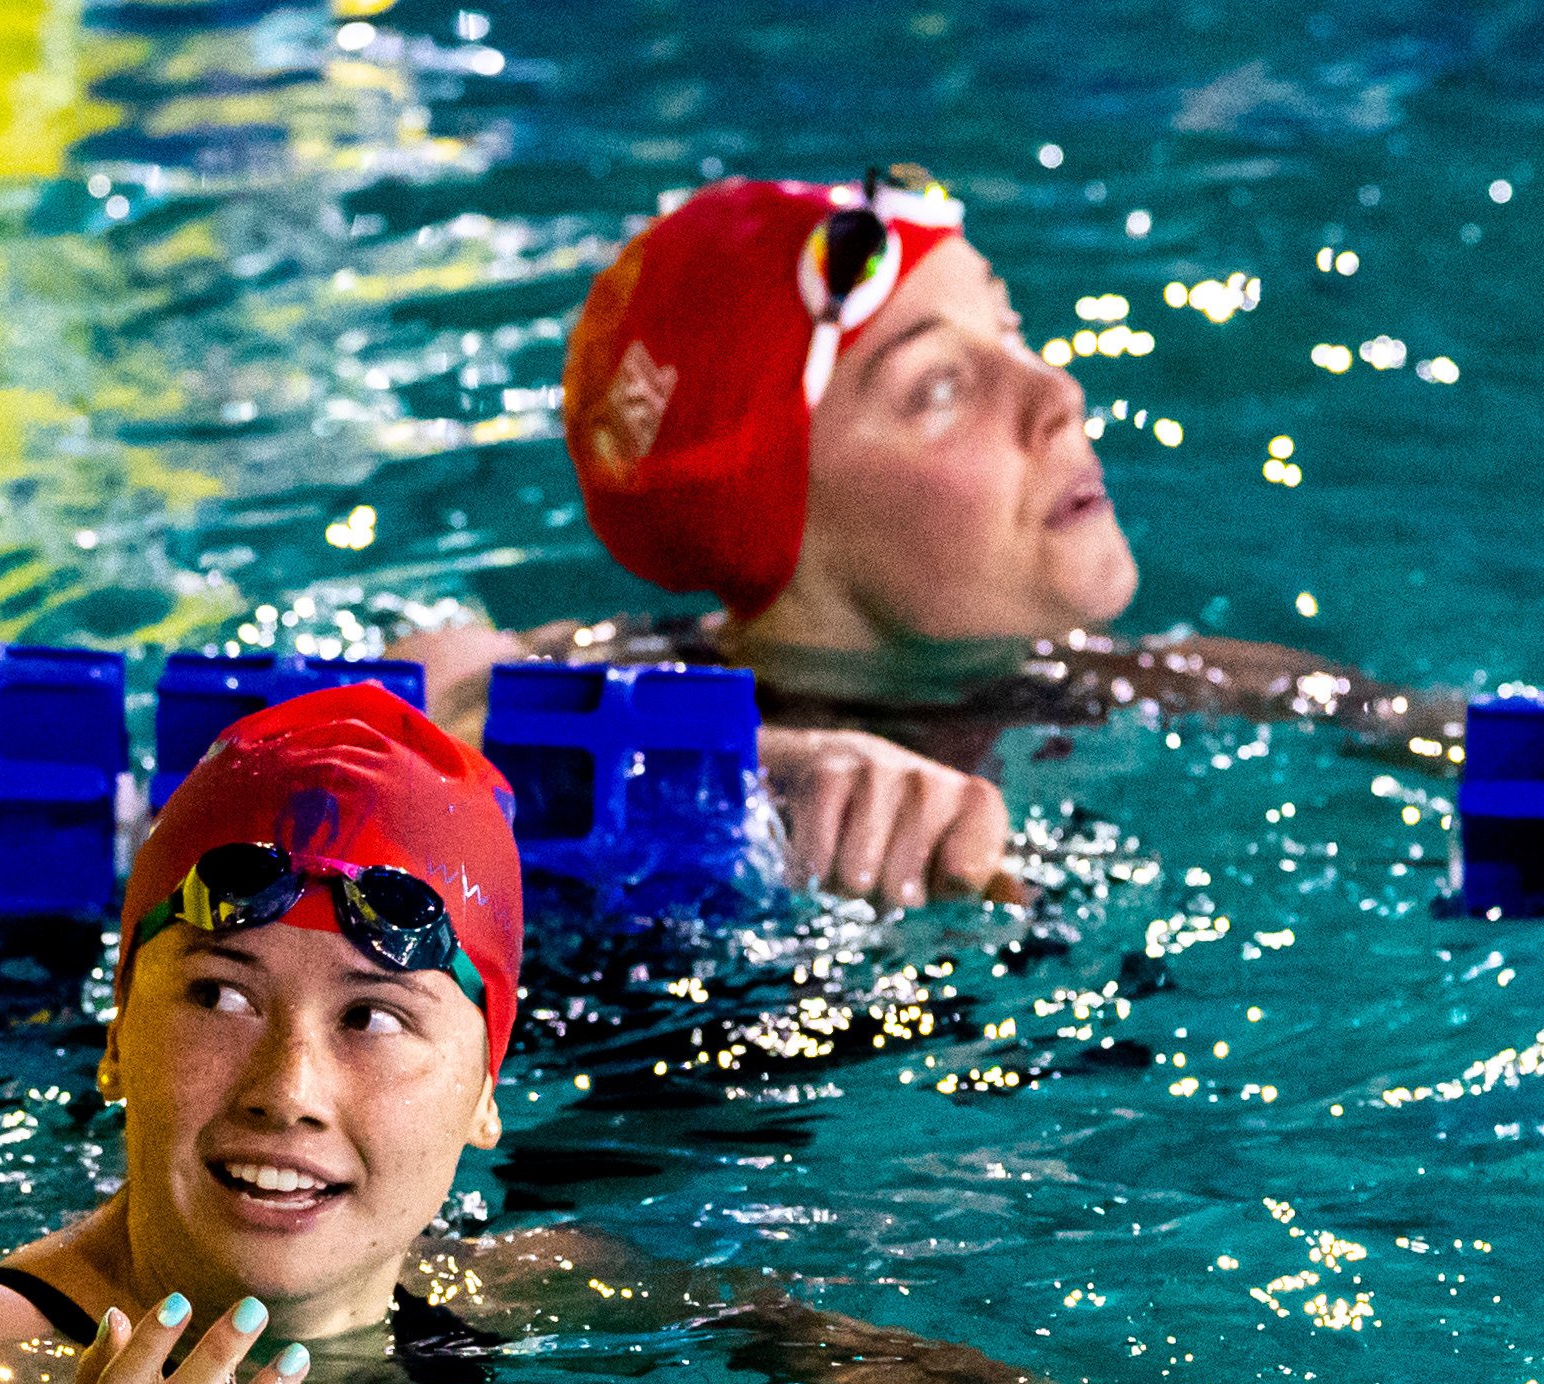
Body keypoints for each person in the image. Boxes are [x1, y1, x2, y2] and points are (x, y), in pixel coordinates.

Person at [0, 681, 1372, 1384]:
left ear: (486, 1093)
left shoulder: (510, 1289)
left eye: (375, 1017)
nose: (287, 1084)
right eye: (215, 993)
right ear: (111, 1039)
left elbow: (780, 1332)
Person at [394, 169, 1450, 910]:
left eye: (1011, 330)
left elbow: (1499, 752)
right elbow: (349, 731)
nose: (1057, 394)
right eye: (939, 387)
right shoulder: (576, 684)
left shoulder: (1187, 691)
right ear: (779, 513)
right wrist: (751, 775)